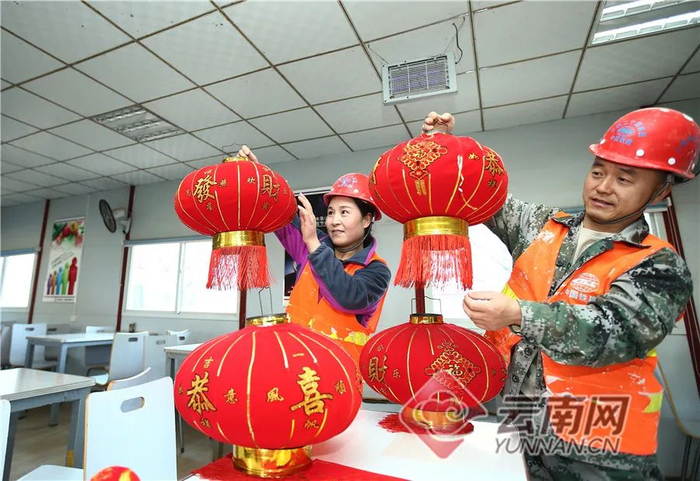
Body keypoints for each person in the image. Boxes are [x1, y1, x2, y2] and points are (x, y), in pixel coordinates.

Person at [423, 108, 697, 480]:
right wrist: (444, 148)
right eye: (598, 172)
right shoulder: (542, 226)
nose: (603, 187)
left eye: (624, 179)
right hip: (523, 422)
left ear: (661, 191)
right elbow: (482, 195)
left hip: (599, 444)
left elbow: (614, 332)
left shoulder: (660, 265)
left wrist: (519, 314)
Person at [237, 145, 391, 364]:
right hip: (295, 366)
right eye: (330, 213)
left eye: (344, 212)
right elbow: (280, 213)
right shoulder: (312, 244)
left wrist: (313, 243)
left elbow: (348, 297)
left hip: (340, 373)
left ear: (366, 220)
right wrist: (258, 177)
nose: (334, 221)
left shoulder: (376, 269)